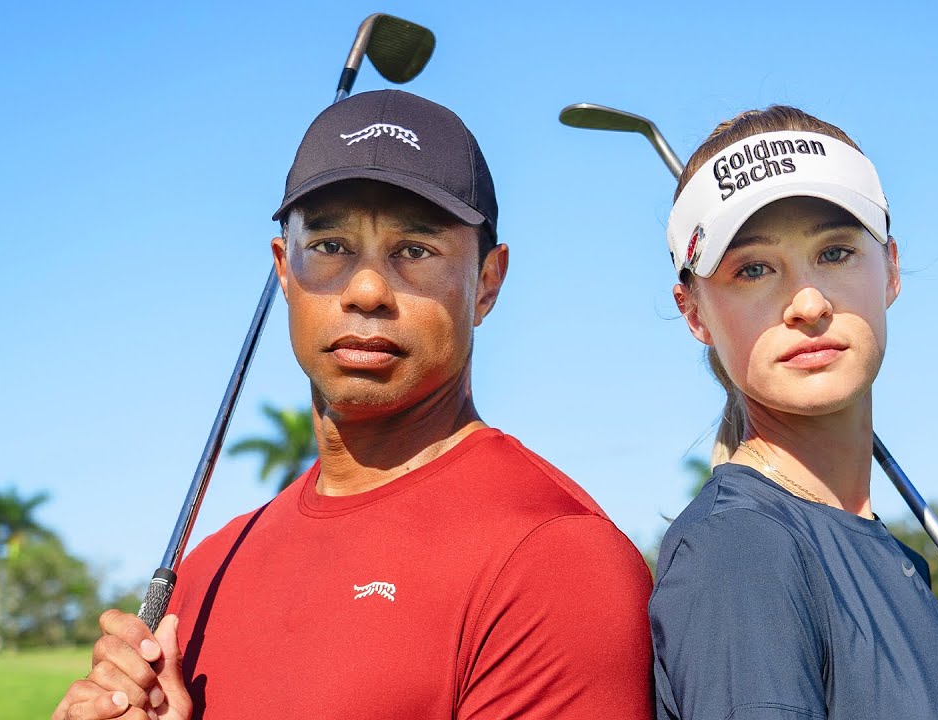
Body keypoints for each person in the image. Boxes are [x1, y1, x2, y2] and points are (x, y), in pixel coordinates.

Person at [51, 89, 654, 720]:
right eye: (331, 247)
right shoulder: (206, 573)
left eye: (415, 251)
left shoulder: (556, 561)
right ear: (284, 271)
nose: (367, 290)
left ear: (487, 283)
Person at [648, 106, 938, 720]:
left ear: (891, 269)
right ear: (694, 314)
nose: (809, 303)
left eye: (836, 253)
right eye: (754, 269)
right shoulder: (740, 550)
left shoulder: (885, 553)